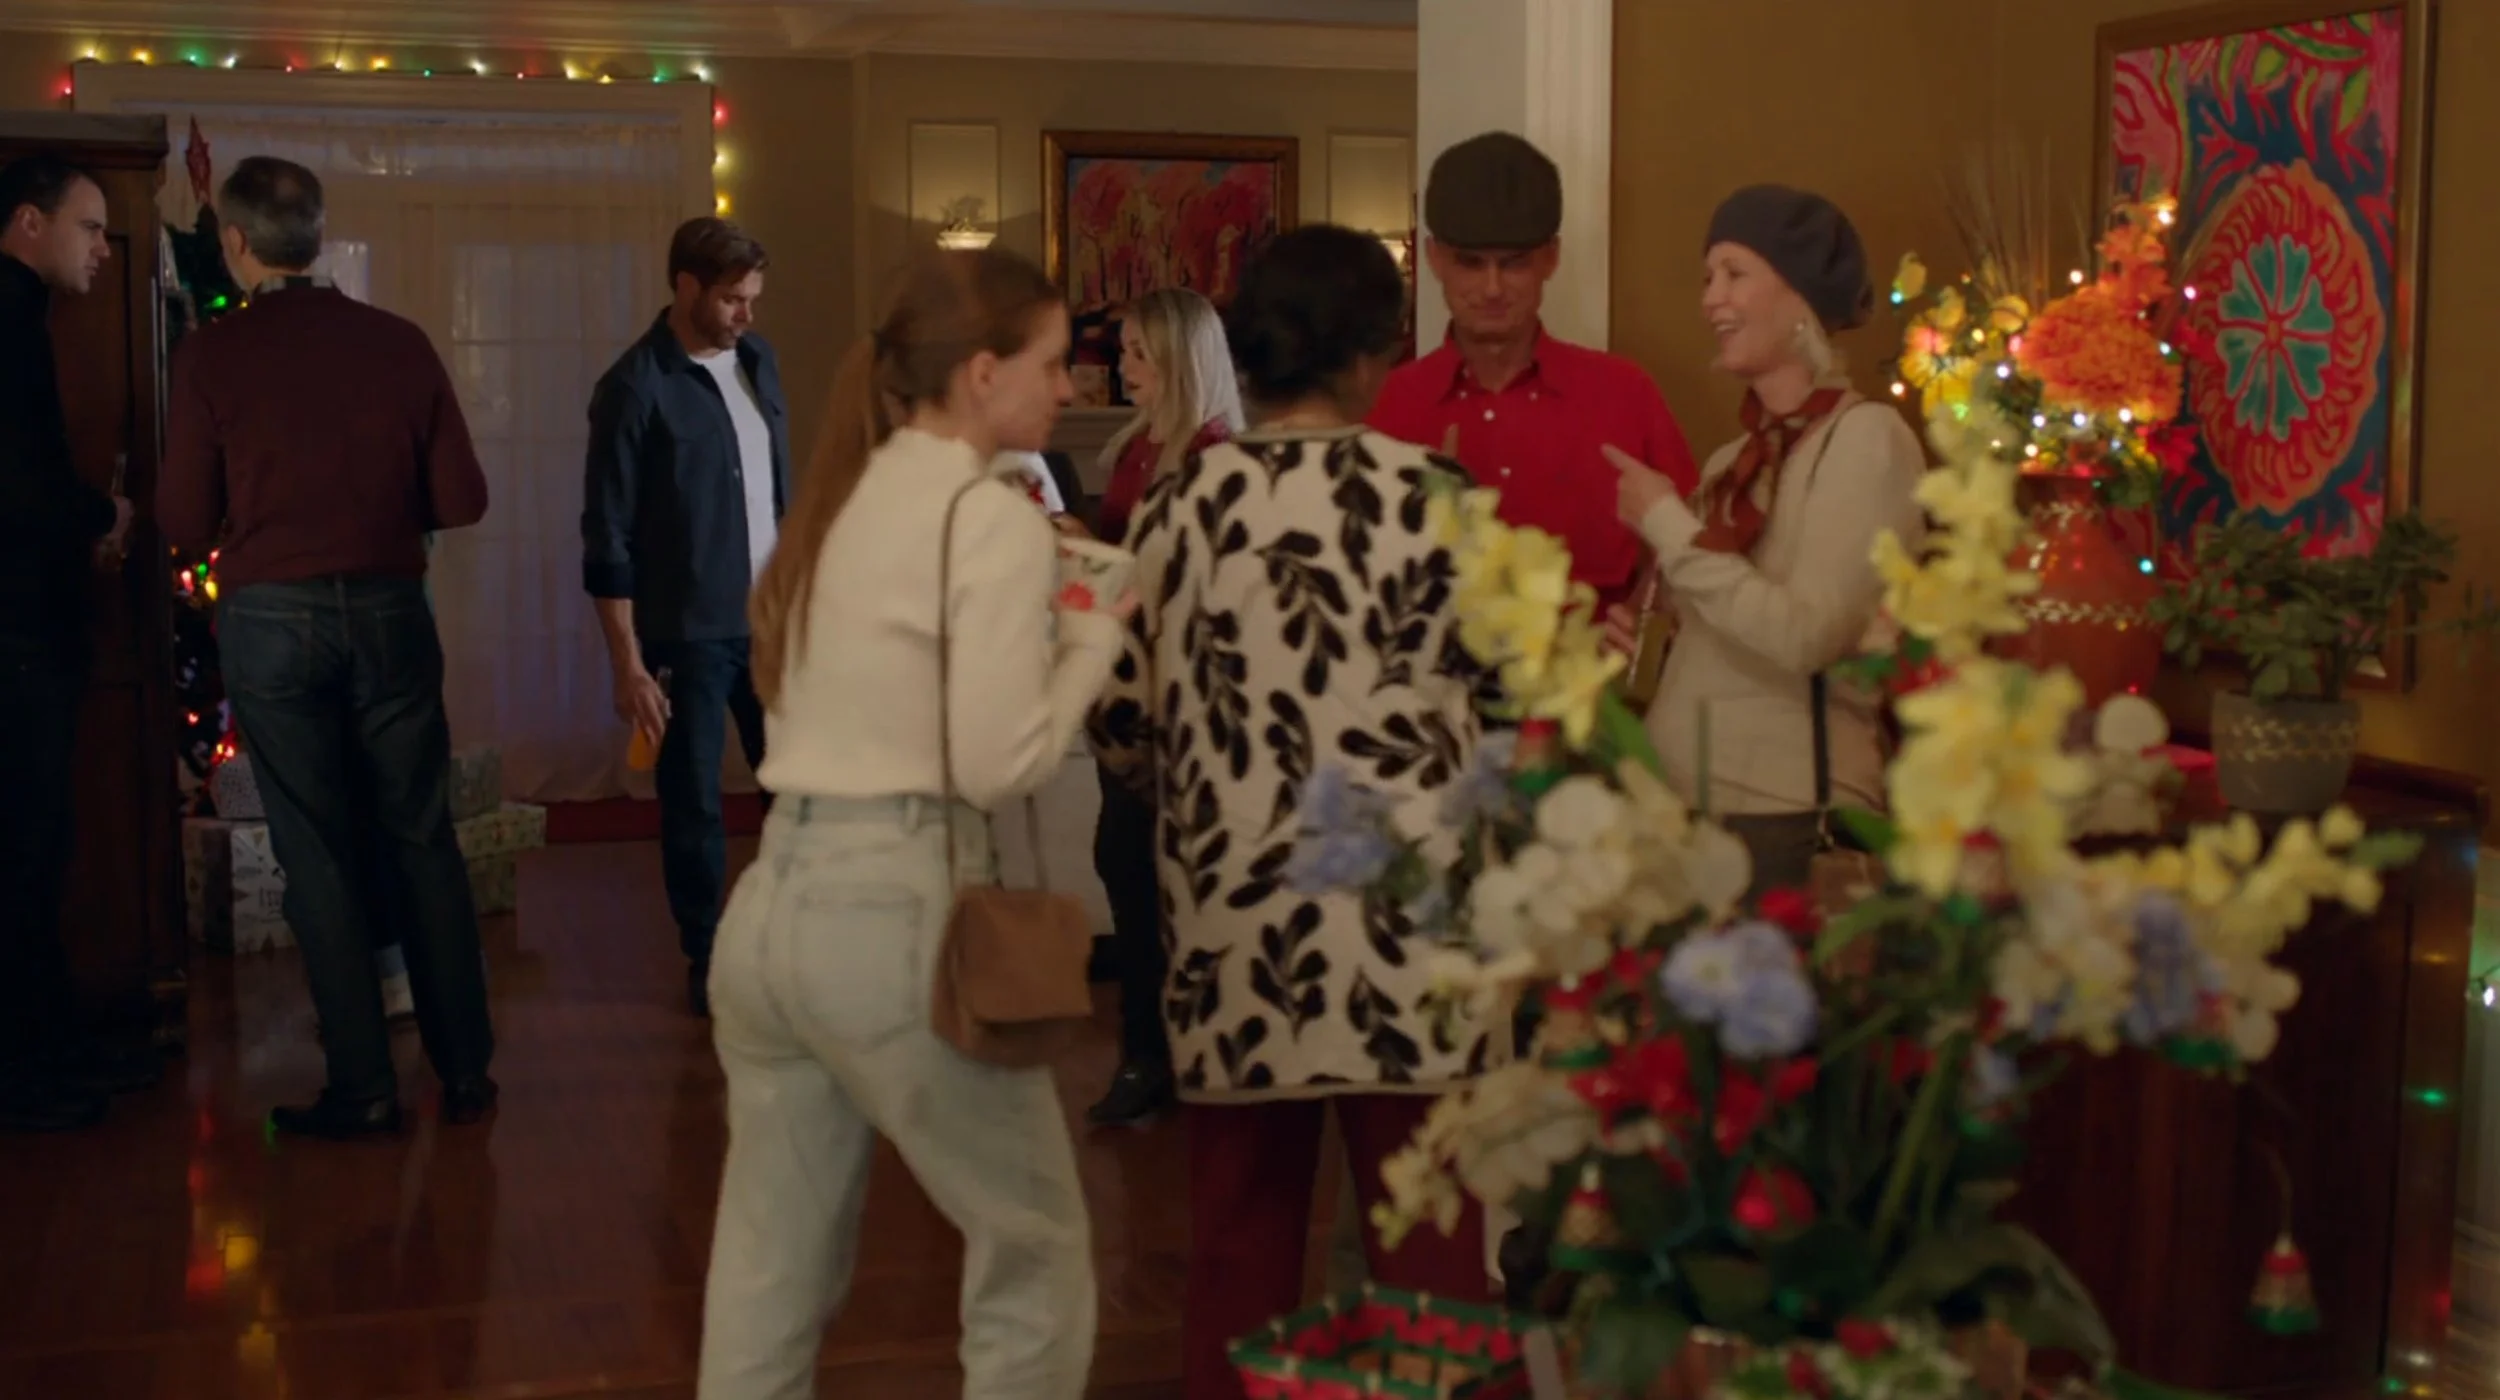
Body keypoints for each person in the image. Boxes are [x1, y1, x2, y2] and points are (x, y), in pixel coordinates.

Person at [697, 246, 1125, 1400]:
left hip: (772, 906)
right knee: (1033, 1246)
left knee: (768, 1268)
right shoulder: (984, 519)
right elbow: (997, 763)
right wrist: (1093, 633)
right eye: (1054, 362)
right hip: (888, 917)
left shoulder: (843, 497)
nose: (1069, 388)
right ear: (982, 373)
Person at [1089, 225, 1499, 1400]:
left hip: (1238, 926)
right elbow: (1517, 701)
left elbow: (1122, 722)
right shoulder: (1440, 498)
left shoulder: (1179, 508)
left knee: (1235, 1245)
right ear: (1373, 357)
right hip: (1410, 930)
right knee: (1431, 1252)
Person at [159, 155, 498, 1138]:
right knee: (422, 835)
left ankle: (364, 1085)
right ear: (316, 235)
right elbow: (464, 498)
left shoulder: (212, 357)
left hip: (270, 621)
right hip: (391, 611)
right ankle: (466, 1067)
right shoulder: (398, 344)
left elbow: (184, 517)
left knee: (317, 850)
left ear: (235, 242)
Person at [1605, 184, 1926, 899]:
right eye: (1706, 278)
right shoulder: (1730, 463)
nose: (1710, 299)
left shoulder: (1868, 440)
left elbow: (1807, 634)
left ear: (1802, 296)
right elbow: (1727, 615)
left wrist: (1665, 522)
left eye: (1734, 273)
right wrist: (1653, 635)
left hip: (1788, 825)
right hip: (1689, 820)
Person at [582, 217, 792, 1018]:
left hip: (769, 626)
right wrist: (626, 662)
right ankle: (707, 956)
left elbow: (776, 493)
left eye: (753, 299)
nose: (747, 315)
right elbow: (606, 533)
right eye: (733, 300)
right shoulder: (634, 388)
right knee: (696, 804)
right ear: (686, 288)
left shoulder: (760, 364)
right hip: (686, 636)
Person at [1369, 130, 1699, 611]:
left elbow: (1692, 553)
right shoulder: (1389, 406)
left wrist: (1648, 624)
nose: (1492, 287)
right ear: (1434, 257)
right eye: (1470, 262)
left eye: (1514, 263)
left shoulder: (1625, 394)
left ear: (1551, 257)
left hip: (1596, 681)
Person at [0, 152, 150, 1134]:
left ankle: (49, 1046)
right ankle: (27, 1073)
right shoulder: (9, 324)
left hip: (28, 626)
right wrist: (106, 512)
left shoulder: (26, 318)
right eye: (90, 227)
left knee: (37, 849)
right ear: (28, 224)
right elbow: (22, 483)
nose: (103, 247)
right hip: (16, 638)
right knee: (23, 852)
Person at [1084, 285, 1243, 1130]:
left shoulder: (1213, 458)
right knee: (1126, 870)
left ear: (1181, 361)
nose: (1123, 366)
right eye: (1124, 351)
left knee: (1159, 882)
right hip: (1125, 696)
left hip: (1181, 706)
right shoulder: (1137, 448)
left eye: (1139, 353)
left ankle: (1166, 1058)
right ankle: (1149, 1052)